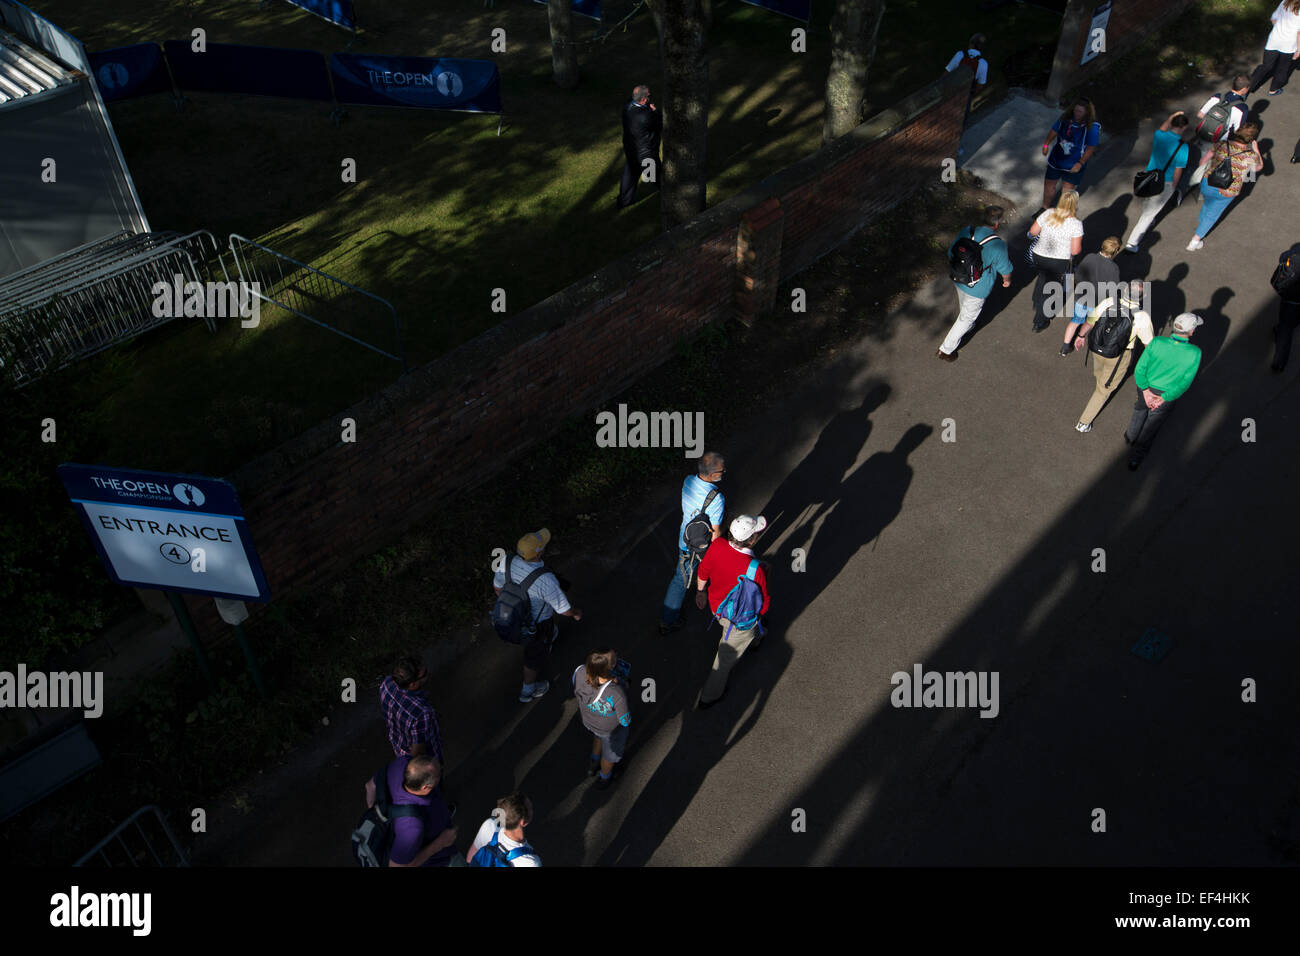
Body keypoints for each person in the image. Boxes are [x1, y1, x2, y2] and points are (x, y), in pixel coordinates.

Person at [492, 528, 583, 703]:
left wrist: (513, 607)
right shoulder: (545, 580)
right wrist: (576, 613)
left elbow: (497, 587)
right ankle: (528, 690)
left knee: (541, 639)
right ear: (539, 553)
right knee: (533, 658)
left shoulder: (507, 561)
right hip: (538, 626)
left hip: (509, 618)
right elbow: (563, 609)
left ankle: (549, 636)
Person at [694, 514, 771, 709]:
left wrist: (700, 592)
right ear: (751, 540)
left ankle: (756, 637)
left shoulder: (718, 545)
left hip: (717, 607)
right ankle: (709, 696)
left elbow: (703, 571)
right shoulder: (754, 569)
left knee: (744, 631)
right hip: (738, 618)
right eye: (756, 534)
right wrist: (760, 614)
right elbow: (763, 603)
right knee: (724, 661)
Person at [1072, 279, 1154, 432]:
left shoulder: (1109, 301)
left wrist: (1081, 336)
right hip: (1118, 356)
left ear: (1124, 291)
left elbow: (1091, 320)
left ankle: (1100, 381)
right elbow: (1149, 345)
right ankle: (1083, 423)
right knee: (1104, 390)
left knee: (1099, 372)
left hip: (1097, 347)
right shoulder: (1142, 317)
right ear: (1143, 297)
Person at [1124, 312, 1203, 471]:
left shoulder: (1157, 342)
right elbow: (1184, 384)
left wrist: (1145, 391)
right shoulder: (1195, 353)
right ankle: (1136, 457)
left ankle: (1130, 437)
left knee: (1139, 409)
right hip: (1166, 396)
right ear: (1191, 332)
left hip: (1145, 387)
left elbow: (1140, 370)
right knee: (1152, 424)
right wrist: (1163, 398)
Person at [937, 204, 1013, 361]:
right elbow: (1005, 269)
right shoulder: (997, 244)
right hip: (978, 288)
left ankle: (969, 326)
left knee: (964, 304)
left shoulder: (967, 231)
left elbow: (951, 251)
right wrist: (1007, 281)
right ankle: (946, 350)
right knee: (967, 318)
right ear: (997, 224)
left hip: (959, 278)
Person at [661, 452, 725, 635]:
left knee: (683, 575)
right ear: (712, 475)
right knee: (680, 581)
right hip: (701, 545)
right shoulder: (716, 499)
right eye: (722, 470)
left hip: (685, 539)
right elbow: (716, 531)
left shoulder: (688, 480)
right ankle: (667, 620)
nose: (724, 472)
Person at [363, 754, 457, 867]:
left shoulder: (400, 764)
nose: (441, 769)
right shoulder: (411, 827)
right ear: (425, 788)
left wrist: (378, 816)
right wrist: (440, 843)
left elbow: (369, 786)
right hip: (439, 862)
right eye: (438, 774)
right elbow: (396, 866)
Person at [1187, 121, 1264, 251]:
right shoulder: (1250, 155)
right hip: (1228, 191)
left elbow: (1203, 161)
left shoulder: (1222, 144)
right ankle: (1194, 241)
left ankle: (1202, 222)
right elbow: (1259, 168)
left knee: (1207, 203)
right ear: (1251, 139)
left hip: (1208, 182)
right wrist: (1257, 151)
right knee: (1213, 215)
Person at [1124, 112, 1192, 253]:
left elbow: (1162, 128)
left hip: (1149, 177)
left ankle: (1147, 219)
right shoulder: (1183, 147)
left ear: (1171, 123)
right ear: (1184, 127)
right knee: (1148, 216)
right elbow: (1178, 170)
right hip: (1165, 183)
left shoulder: (1159, 136)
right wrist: (1174, 186)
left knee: (1149, 204)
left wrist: (1171, 116)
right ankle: (1132, 244)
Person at [571, 648, 632, 790]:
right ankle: (605, 777)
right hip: (611, 731)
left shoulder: (579, 672)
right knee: (610, 756)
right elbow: (624, 721)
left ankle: (593, 763)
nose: (616, 656)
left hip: (590, 722)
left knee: (598, 736)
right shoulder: (616, 693)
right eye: (614, 661)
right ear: (608, 670)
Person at [1028, 190, 1084, 333]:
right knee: (1050, 289)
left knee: (1042, 277)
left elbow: (1033, 232)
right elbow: (1075, 250)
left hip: (1039, 255)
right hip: (1058, 261)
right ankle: (1039, 321)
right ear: (1075, 204)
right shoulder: (1076, 224)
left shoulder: (1048, 213)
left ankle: (1036, 300)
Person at [1061, 236, 1122, 356]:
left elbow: (1078, 276)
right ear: (1116, 251)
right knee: (1091, 322)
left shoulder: (1090, 257)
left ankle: (1065, 347)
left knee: (1075, 321)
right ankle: (1082, 336)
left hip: (1081, 298)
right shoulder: (1114, 268)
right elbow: (1113, 289)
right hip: (1097, 302)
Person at [379, 655, 443, 763]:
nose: (427, 674)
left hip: (398, 746)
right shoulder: (422, 712)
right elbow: (417, 752)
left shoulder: (387, 683)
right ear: (413, 684)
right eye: (424, 674)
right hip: (424, 761)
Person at [1040, 98, 1101, 210]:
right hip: (1056, 160)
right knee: (1049, 185)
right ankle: (1044, 208)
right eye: (1075, 110)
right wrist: (1046, 144)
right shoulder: (1065, 119)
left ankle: (1061, 214)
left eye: (1080, 112)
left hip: (1074, 164)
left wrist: (1080, 163)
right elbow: (1054, 130)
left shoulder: (1092, 127)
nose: (1076, 113)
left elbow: (1091, 147)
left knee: (1067, 191)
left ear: (1087, 112)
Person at [465, 793, 541, 866]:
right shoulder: (530, 862)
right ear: (523, 822)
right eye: (531, 808)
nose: (532, 809)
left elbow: (470, 859)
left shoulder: (490, 825)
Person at [618, 84, 662, 209]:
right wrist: (655, 111)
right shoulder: (646, 116)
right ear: (643, 99)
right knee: (657, 177)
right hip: (645, 154)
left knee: (630, 176)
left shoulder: (627, 107)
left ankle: (624, 201)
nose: (650, 98)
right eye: (648, 96)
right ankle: (671, 196)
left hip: (631, 150)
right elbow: (660, 124)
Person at [1248, 1, 1300, 96]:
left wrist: (1279, 29)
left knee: (1266, 66)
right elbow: (1299, 33)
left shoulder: (1285, 2)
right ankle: (1273, 90)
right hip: (1289, 45)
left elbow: (1273, 18)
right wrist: (1299, 49)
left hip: (1274, 40)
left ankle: (1247, 88)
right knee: (1282, 68)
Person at [945, 33, 989, 136]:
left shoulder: (960, 54)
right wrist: (972, 93)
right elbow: (980, 85)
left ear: (971, 44)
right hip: (966, 95)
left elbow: (947, 72)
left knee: (947, 117)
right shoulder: (983, 63)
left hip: (952, 91)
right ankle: (956, 146)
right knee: (961, 121)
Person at [1194, 76, 1251, 150]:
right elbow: (1238, 131)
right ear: (1244, 89)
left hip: (1202, 135)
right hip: (1219, 144)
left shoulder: (1217, 97)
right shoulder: (1242, 108)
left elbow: (1200, 114)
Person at [1271, 241, 1300, 371]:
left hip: (1293, 297)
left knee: (1285, 329)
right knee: (1292, 322)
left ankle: (1279, 362)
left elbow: (1283, 257)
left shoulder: (1297, 252)